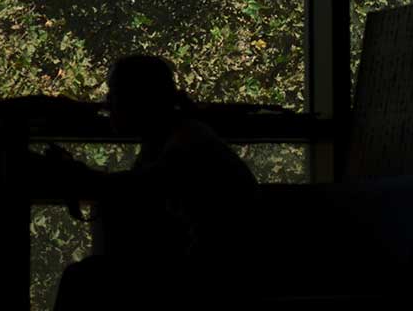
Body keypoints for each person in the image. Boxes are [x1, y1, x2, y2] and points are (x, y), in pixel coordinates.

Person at [33, 54, 261, 310]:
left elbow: (134, 189)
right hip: (219, 273)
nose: (108, 103)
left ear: (139, 99)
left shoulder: (184, 145)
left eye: (115, 94)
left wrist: (74, 174)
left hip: (211, 280)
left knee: (82, 278)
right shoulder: (180, 137)